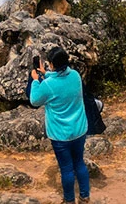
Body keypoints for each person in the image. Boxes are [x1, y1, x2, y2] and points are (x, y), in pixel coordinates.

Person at [29, 47, 90, 204]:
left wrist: (36, 79)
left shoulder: (48, 85)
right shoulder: (75, 76)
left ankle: (69, 200)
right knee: (79, 163)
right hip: (79, 130)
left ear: (52, 64)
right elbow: (60, 78)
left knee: (66, 169)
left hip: (60, 135)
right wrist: (45, 73)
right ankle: (84, 196)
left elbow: (34, 100)